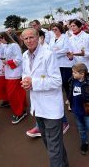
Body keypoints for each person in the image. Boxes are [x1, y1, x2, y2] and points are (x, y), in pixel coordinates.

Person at [21, 28, 69, 167]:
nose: (29, 41)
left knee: (53, 147)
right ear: (22, 41)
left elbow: (57, 81)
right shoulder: (25, 55)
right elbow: (25, 73)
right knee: (50, 143)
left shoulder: (48, 54)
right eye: (26, 38)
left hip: (51, 107)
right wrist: (25, 81)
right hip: (37, 107)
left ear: (38, 37)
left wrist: (33, 83)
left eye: (32, 37)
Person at [1, 32, 27, 124]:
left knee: (12, 95)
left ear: (5, 38)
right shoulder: (6, 46)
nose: (0, 41)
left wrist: (7, 62)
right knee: (16, 93)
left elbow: (19, 59)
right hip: (9, 73)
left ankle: (19, 112)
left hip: (15, 73)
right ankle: (21, 109)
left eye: (1, 39)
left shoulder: (14, 46)